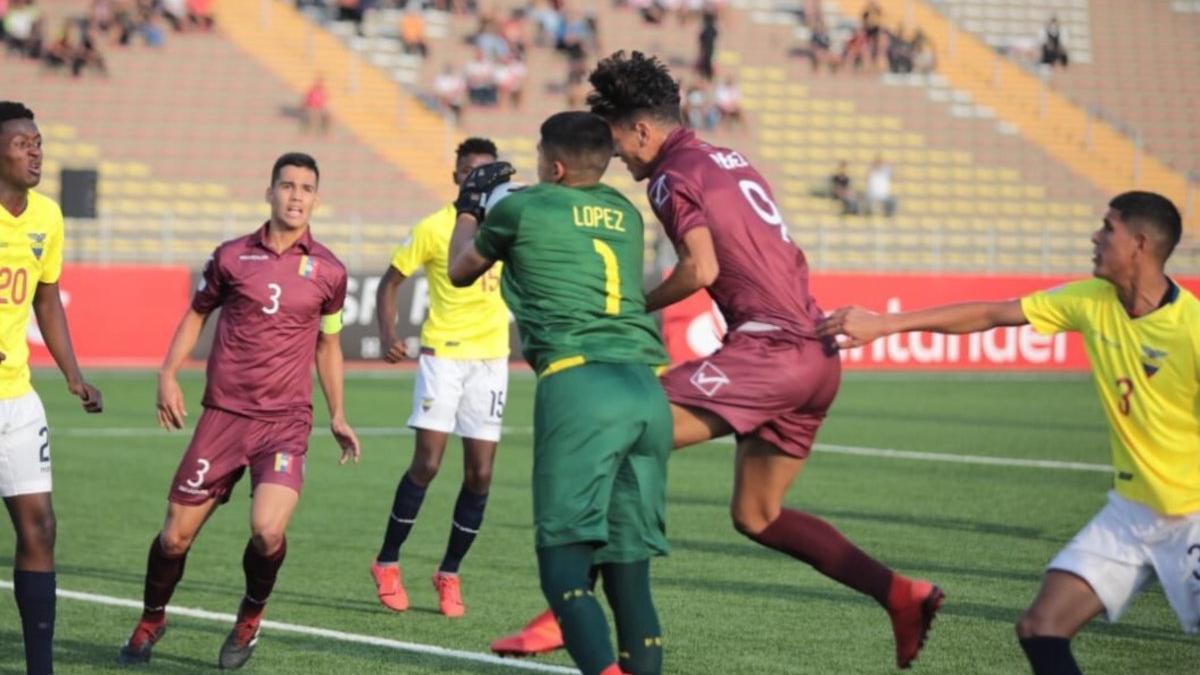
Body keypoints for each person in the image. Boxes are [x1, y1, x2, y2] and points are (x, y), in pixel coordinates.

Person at [491, 50, 942, 671]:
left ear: (643, 130)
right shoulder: (728, 157)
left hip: (770, 350)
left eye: (620, 142)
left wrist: (630, 307)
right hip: (816, 352)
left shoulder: (669, 176)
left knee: (624, 430)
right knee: (758, 515)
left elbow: (701, 268)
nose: (617, 157)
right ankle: (899, 594)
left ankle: (564, 611)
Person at [816, 191, 1198, 675]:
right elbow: (992, 314)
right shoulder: (1090, 301)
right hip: (1130, 514)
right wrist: (889, 324)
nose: (1095, 236)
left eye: (1108, 227)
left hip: (1192, 515)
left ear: (1139, 244)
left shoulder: (1192, 330)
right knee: (1041, 628)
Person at [449, 111, 673, 675]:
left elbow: (459, 269)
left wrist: (471, 207)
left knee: (564, 569)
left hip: (580, 385)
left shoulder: (522, 208)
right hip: (645, 388)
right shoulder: (626, 213)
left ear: (552, 163)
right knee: (628, 576)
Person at [117, 152, 360, 669]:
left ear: (317, 198)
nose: (296, 196)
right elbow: (197, 313)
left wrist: (338, 412)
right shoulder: (231, 257)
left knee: (268, 530)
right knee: (175, 536)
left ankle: (250, 618)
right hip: (223, 417)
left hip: (285, 423)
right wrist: (167, 373)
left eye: (307, 188)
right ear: (270, 192)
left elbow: (328, 345)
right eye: (288, 186)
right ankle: (152, 619)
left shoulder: (330, 271)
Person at [370, 138, 509, 618]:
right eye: (471, 172)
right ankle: (387, 561)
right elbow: (390, 282)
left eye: (488, 173)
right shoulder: (435, 227)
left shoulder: (509, 226)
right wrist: (389, 334)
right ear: (456, 177)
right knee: (427, 463)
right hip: (444, 356)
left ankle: (448, 573)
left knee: (482, 473)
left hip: (492, 361)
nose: (479, 180)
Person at [0, 101, 103, 675]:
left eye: (38, 142)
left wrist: (72, 375)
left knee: (40, 527)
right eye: (22, 143)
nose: (35, 151)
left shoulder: (47, 217)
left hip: (17, 398)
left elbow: (46, 298)